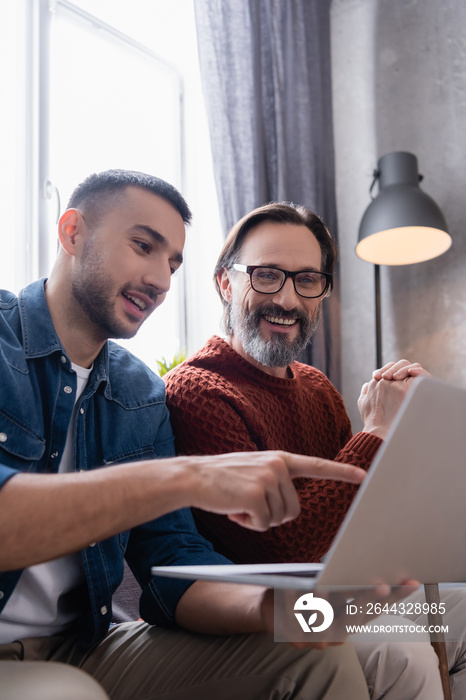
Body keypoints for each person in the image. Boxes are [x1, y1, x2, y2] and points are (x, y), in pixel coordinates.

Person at [0, 171, 394, 700]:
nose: (162, 281)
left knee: (314, 650)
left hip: (85, 643)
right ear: (72, 232)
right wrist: (186, 477)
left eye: (172, 264)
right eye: (144, 246)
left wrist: (266, 608)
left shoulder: (138, 392)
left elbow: (173, 559)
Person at [165, 201, 466, 698]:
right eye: (267, 276)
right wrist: (376, 432)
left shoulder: (316, 388)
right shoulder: (199, 392)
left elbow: (356, 519)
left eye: (307, 280)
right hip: (271, 609)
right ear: (226, 282)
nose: (287, 299)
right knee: (404, 651)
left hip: (346, 593)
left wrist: (417, 432)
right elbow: (287, 551)